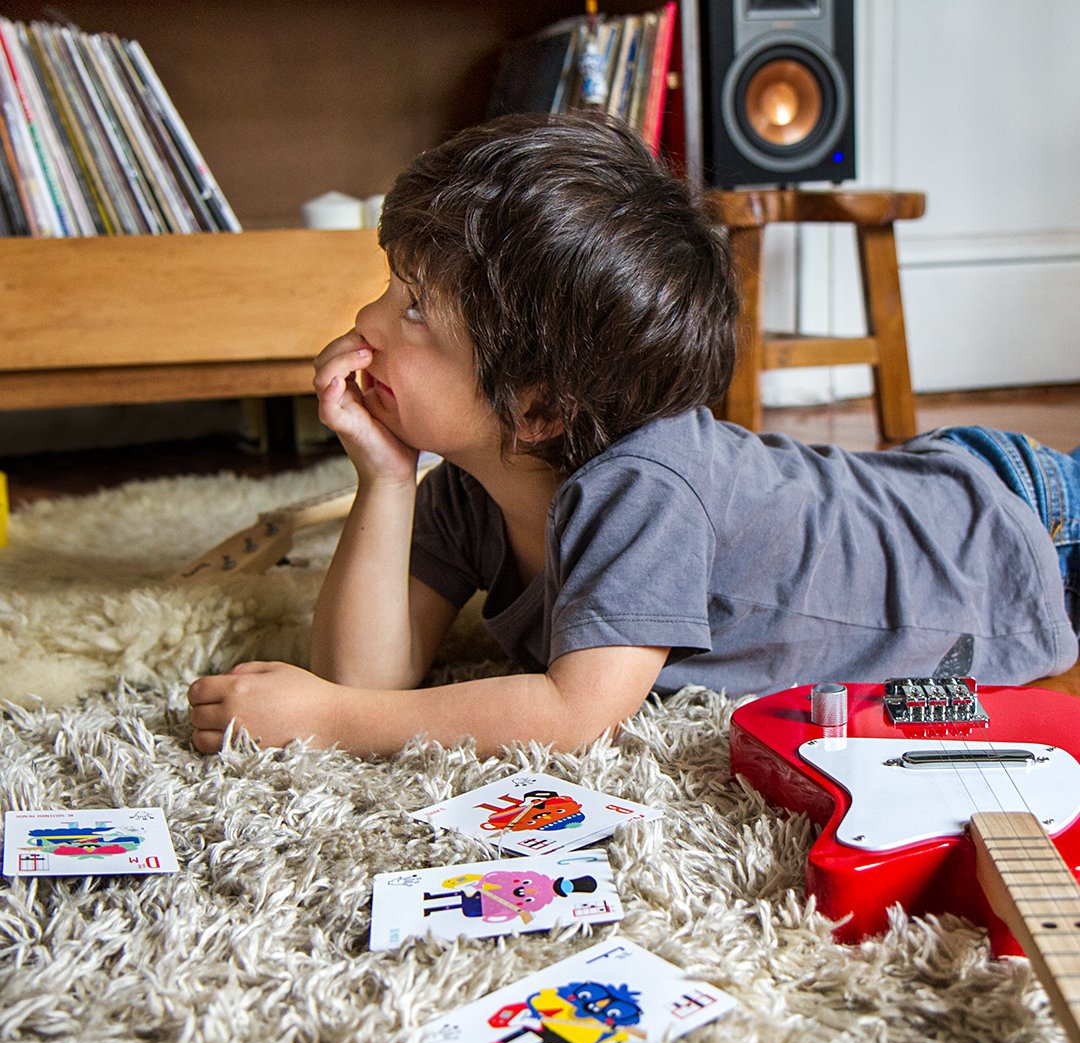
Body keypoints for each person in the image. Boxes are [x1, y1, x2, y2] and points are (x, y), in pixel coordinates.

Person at [188, 112, 1079, 757]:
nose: (367, 320)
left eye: (416, 310)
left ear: (540, 409)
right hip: (937, 487)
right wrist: (384, 479)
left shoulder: (642, 484)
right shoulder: (472, 483)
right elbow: (368, 680)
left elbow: (576, 716)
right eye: (390, 286)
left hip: (1019, 525)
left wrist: (325, 723)